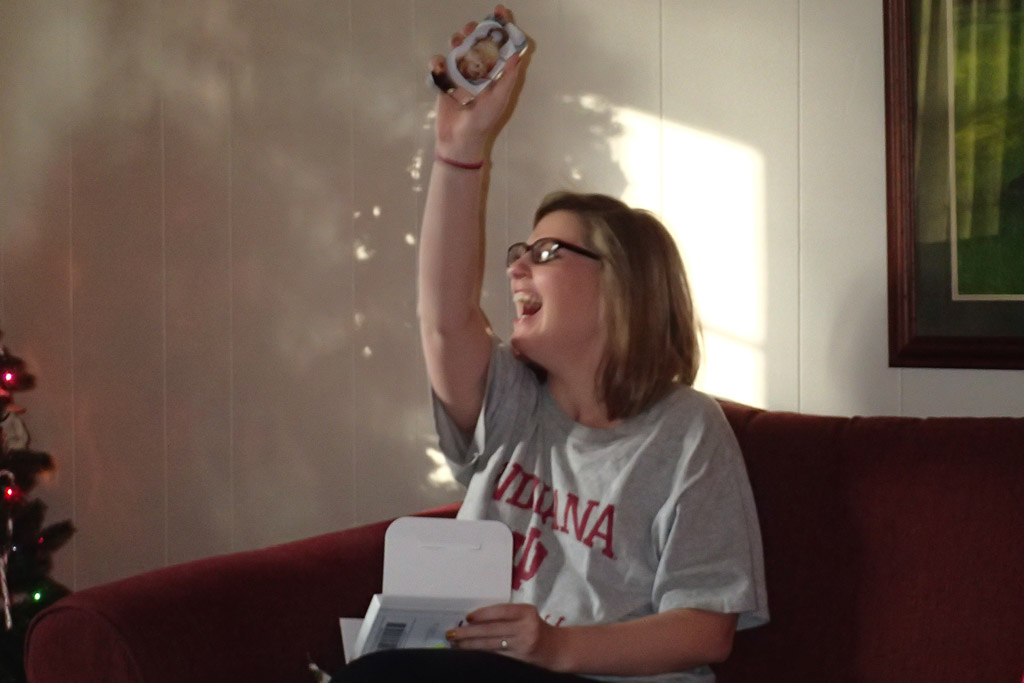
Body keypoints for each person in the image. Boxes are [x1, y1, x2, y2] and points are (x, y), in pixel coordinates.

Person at [334, 6, 767, 682]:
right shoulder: (512, 403)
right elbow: (444, 318)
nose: (516, 269)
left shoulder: (685, 431)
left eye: (544, 253)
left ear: (621, 284)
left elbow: (706, 629)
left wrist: (555, 648)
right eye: (520, 252)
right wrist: (459, 146)